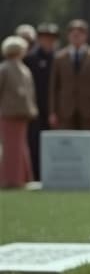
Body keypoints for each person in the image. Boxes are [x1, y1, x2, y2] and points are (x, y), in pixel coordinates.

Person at [48, 19, 90, 165]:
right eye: (73, 34)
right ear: (68, 36)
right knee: (67, 142)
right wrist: (53, 111)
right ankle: (68, 170)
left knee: (89, 144)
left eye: (79, 34)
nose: (76, 37)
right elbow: (54, 87)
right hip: (65, 108)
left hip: (89, 109)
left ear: (85, 36)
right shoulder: (59, 57)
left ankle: (89, 169)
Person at [0, 36, 38, 188]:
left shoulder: (23, 68)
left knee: (20, 146)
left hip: (22, 114)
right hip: (8, 114)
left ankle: (22, 177)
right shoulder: (4, 68)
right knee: (11, 147)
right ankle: (10, 179)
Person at [24, 22, 59, 179]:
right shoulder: (30, 58)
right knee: (34, 141)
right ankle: (36, 174)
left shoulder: (58, 57)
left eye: (51, 38)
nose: (48, 41)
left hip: (53, 108)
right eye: (45, 38)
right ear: (39, 39)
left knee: (53, 142)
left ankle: (51, 172)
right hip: (35, 107)